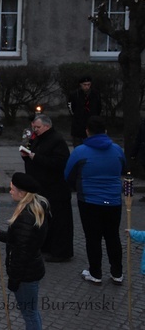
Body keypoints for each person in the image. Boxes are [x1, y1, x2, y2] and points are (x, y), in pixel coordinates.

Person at [64, 116, 125, 286]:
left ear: (87, 132)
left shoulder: (80, 151)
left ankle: (95, 272)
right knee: (113, 236)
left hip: (89, 200)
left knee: (93, 238)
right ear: (106, 131)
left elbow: (68, 175)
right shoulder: (118, 150)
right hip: (113, 200)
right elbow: (124, 169)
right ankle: (117, 272)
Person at [0, 172, 49, 330]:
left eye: (12, 189)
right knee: (31, 312)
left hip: (26, 275)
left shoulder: (26, 217)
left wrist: (14, 280)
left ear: (22, 193)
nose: (10, 191)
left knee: (29, 314)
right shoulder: (32, 209)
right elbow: (21, 239)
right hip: (31, 270)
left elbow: (21, 253)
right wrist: (2, 235)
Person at [21, 114, 73, 262]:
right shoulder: (38, 138)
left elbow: (58, 164)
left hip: (55, 188)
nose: (35, 130)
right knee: (45, 219)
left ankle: (61, 251)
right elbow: (32, 151)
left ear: (47, 126)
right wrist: (26, 155)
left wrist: (34, 157)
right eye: (34, 127)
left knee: (59, 221)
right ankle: (46, 246)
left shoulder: (57, 141)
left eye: (37, 127)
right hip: (42, 186)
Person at [67, 76, 102, 147]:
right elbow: (70, 107)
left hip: (91, 123)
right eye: (84, 85)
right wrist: (76, 116)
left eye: (88, 85)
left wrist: (95, 117)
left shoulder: (95, 94)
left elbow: (99, 107)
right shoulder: (74, 94)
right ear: (81, 85)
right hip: (78, 124)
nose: (87, 87)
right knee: (78, 146)